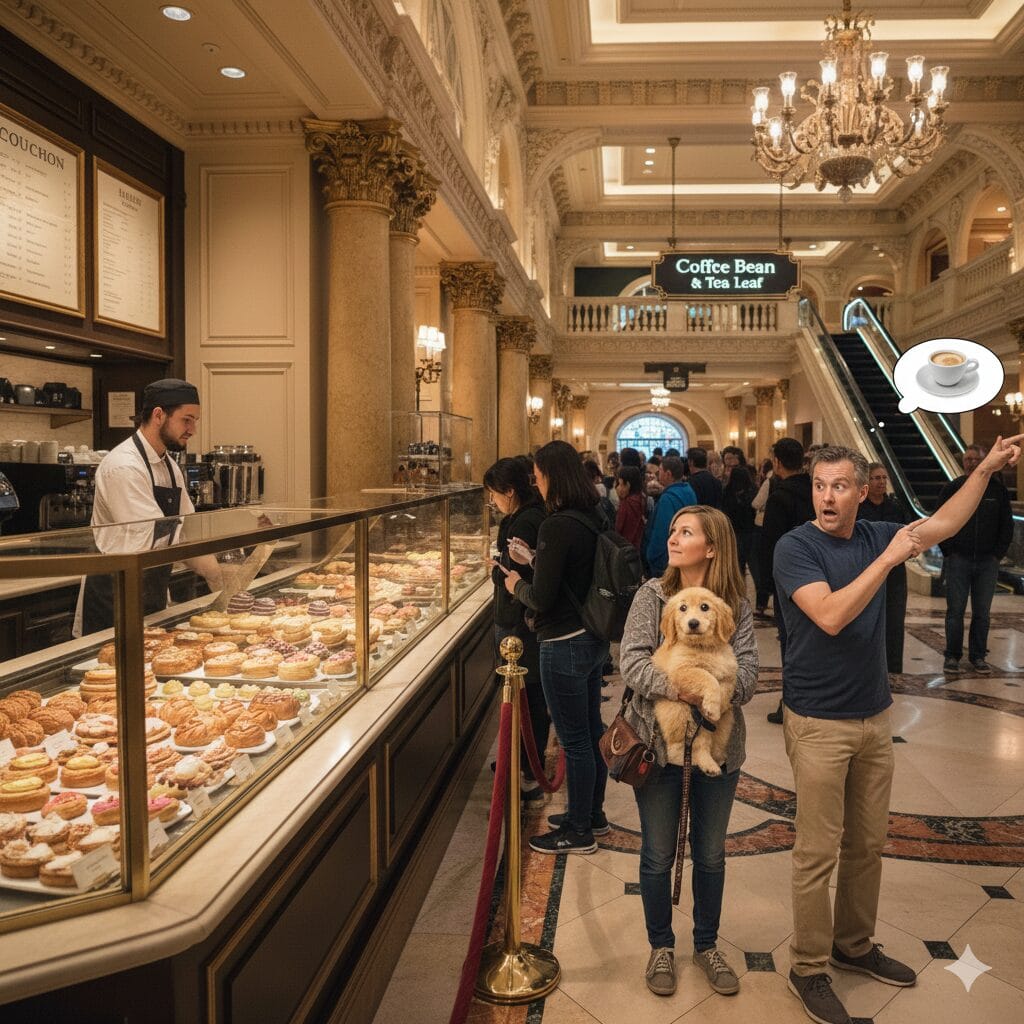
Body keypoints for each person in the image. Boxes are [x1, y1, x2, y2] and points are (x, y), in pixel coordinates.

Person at [774, 439, 1022, 1024]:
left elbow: (943, 523)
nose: (827, 496)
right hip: (816, 721)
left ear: (863, 491)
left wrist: (984, 468)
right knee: (816, 852)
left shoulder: (873, 532)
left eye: (839, 486)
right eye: (819, 485)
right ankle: (808, 967)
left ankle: (853, 945)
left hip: (873, 715)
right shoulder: (796, 546)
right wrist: (886, 561)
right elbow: (831, 616)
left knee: (867, 844)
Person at [619, 506, 758, 998]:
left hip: (723, 748)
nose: (672, 538)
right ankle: (661, 945)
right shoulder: (652, 595)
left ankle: (706, 944)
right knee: (658, 853)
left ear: (712, 546)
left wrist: (721, 691)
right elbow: (633, 664)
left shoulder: (737, 602)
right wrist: (690, 690)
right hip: (657, 747)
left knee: (712, 854)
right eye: (673, 531)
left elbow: (749, 676)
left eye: (685, 532)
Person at [504, 440, 609, 854]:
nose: (536, 482)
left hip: (563, 642)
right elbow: (573, 574)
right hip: (591, 636)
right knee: (591, 731)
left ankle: (579, 829)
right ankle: (591, 814)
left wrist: (516, 583)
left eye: (539, 475)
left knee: (575, 740)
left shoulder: (555, 524)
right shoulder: (590, 515)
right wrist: (536, 560)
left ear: (551, 476)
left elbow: (542, 598)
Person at [75, 379, 223, 636]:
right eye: (187, 420)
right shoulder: (123, 466)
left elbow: (187, 527)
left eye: (195, 421)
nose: (193, 429)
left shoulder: (169, 465)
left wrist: (219, 580)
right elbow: (150, 536)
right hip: (114, 596)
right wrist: (214, 574)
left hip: (150, 591)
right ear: (158, 415)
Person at [484, 457, 549, 803]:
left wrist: (494, 569)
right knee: (531, 696)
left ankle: (525, 770)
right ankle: (526, 764)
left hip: (517, 620)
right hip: (525, 618)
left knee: (526, 695)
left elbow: (512, 575)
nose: (492, 501)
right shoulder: (535, 513)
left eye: (493, 493)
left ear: (509, 491)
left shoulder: (521, 521)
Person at [936, 443, 1015, 674]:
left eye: (975, 459)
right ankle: (952, 656)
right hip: (958, 559)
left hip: (986, 562)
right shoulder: (953, 488)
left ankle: (978, 656)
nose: (971, 463)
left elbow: (1006, 525)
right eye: (968, 459)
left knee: (982, 612)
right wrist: (948, 551)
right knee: (955, 611)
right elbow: (939, 519)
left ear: (984, 461)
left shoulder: (997, 491)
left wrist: (996, 555)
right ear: (963, 462)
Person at [760, 437, 814, 724]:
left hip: (789, 582)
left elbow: (771, 543)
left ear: (778, 462)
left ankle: (792, 702)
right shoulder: (815, 491)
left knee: (791, 641)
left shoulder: (780, 497)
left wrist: (767, 585)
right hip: (819, 576)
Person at [857, 463, 911, 674]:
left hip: (895, 573)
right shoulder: (860, 509)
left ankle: (893, 668)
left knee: (895, 621)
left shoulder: (895, 507)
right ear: (867, 483)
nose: (881, 482)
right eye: (876, 478)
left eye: (883, 478)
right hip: (867, 570)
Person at [644, 456, 697, 577]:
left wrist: (652, 557)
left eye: (661, 470)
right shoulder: (688, 491)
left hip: (667, 562)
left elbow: (662, 532)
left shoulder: (667, 499)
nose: (658, 473)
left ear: (668, 474)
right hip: (686, 553)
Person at [722, 461, 758, 582]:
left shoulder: (727, 492)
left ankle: (740, 593)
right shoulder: (753, 491)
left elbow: (724, 513)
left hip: (734, 534)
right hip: (750, 533)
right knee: (754, 568)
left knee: (738, 568)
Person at [614, 466, 647, 551]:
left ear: (628, 485)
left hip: (625, 546)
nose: (617, 488)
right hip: (638, 544)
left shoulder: (626, 503)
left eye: (620, 484)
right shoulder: (642, 498)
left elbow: (618, 528)